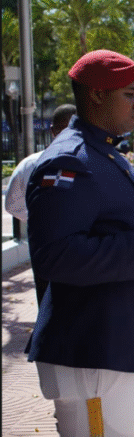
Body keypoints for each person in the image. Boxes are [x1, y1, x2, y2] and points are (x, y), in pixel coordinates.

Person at [24, 49, 134, 437]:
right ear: (97, 95)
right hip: (96, 351)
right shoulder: (70, 159)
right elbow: (56, 256)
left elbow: (106, 230)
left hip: (122, 346)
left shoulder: (103, 153)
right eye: (130, 94)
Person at [5, 103, 76, 304]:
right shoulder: (92, 163)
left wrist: (38, 219)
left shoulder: (29, 163)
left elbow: (12, 204)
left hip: (43, 248)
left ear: (52, 131)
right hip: (82, 252)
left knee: (47, 306)